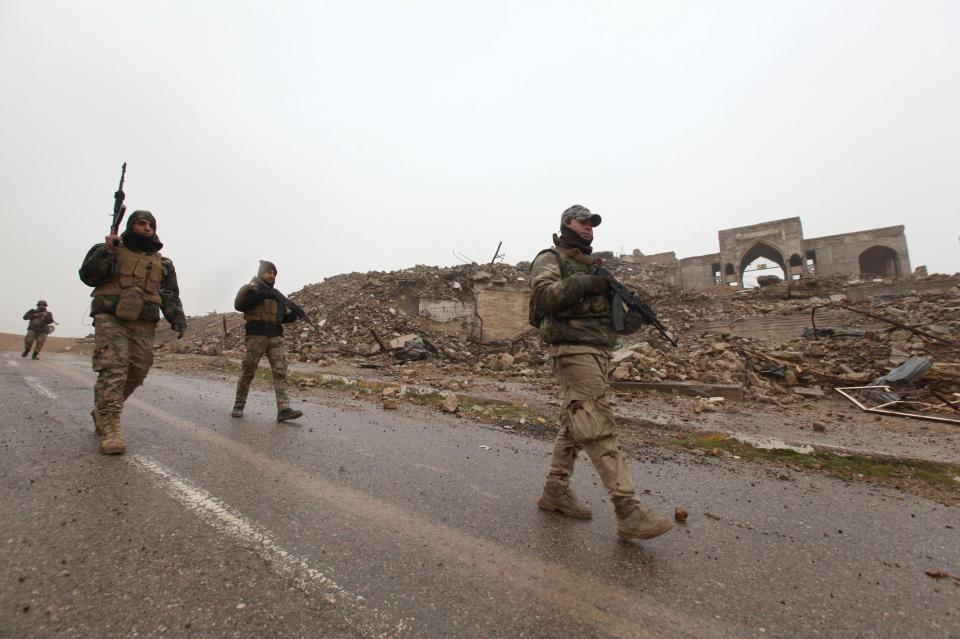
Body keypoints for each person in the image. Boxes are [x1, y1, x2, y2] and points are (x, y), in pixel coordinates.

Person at [529, 204, 673, 541]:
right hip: (572, 349)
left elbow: (612, 322)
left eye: (593, 224)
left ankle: (556, 490)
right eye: (583, 222)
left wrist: (632, 313)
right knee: (595, 422)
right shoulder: (550, 259)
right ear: (566, 225)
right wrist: (585, 283)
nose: (589, 228)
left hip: (598, 351)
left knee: (574, 422)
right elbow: (544, 298)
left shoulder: (596, 269)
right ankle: (628, 509)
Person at [79, 210, 187, 455]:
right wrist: (106, 251)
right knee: (114, 367)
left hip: (144, 319)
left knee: (139, 369)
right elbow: (88, 276)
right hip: (111, 316)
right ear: (130, 225)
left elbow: (170, 294)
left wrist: (177, 318)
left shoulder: (164, 263)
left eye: (151, 224)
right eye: (141, 223)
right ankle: (111, 426)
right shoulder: (109, 249)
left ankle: (103, 409)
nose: (146, 227)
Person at [231, 260, 303, 422]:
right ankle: (239, 404)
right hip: (256, 336)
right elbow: (240, 305)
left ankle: (284, 409)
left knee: (280, 371)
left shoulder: (277, 296)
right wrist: (263, 294)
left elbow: (281, 318)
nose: (271, 275)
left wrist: (294, 315)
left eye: (274, 273)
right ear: (260, 273)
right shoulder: (250, 289)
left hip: (276, 336)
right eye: (268, 272)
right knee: (248, 371)